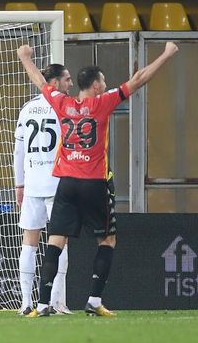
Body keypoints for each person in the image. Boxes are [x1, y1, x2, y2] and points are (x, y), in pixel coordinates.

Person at [17, 42, 179, 317]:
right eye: (103, 80)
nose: (105, 84)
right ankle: (93, 299)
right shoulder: (103, 103)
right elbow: (138, 80)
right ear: (95, 85)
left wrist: (24, 58)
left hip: (66, 183)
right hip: (94, 183)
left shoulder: (61, 102)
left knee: (55, 241)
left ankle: (42, 303)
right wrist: (165, 54)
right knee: (106, 241)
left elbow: (39, 81)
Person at [13, 63, 73, 315]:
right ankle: (58, 302)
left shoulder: (27, 108)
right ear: (55, 82)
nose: (70, 84)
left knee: (29, 243)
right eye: (67, 79)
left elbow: (18, 151)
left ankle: (26, 303)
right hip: (58, 183)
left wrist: (19, 184)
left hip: (33, 183)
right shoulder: (64, 107)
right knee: (60, 243)